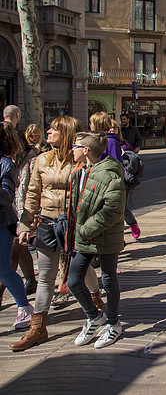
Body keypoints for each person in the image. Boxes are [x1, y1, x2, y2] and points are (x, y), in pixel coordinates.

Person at [13, 115, 101, 352]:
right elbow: (32, 194)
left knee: (80, 269)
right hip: (47, 223)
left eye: (54, 129)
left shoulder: (81, 161)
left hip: (73, 224)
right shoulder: (41, 160)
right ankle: (38, 327)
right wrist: (25, 225)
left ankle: (96, 299)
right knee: (46, 276)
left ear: (68, 134)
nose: (48, 132)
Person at [67, 132, 126, 349]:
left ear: (86, 150)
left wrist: (84, 228)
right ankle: (94, 317)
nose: (71, 150)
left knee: (109, 280)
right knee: (73, 280)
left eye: (74, 146)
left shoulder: (110, 175)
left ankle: (113, 323)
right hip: (83, 236)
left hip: (104, 236)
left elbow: (113, 210)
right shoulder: (79, 171)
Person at [0, 122, 32, 332]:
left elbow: (7, 197)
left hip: (2, 222)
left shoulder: (6, 164)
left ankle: (24, 306)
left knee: (3, 271)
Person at [91, 115, 141, 240]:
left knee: (120, 210)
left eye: (91, 123)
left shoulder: (112, 141)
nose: (90, 125)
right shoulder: (95, 141)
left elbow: (116, 163)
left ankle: (130, 226)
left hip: (111, 181)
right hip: (98, 180)